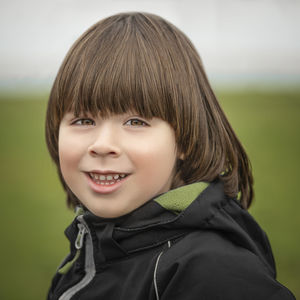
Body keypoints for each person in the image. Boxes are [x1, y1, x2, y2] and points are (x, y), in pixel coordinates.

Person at [45, 12, 295, 300]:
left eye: (136, 122)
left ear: (184, 138)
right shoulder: (91, 249)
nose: (102, 145)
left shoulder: (213, 273)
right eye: (84, 121)